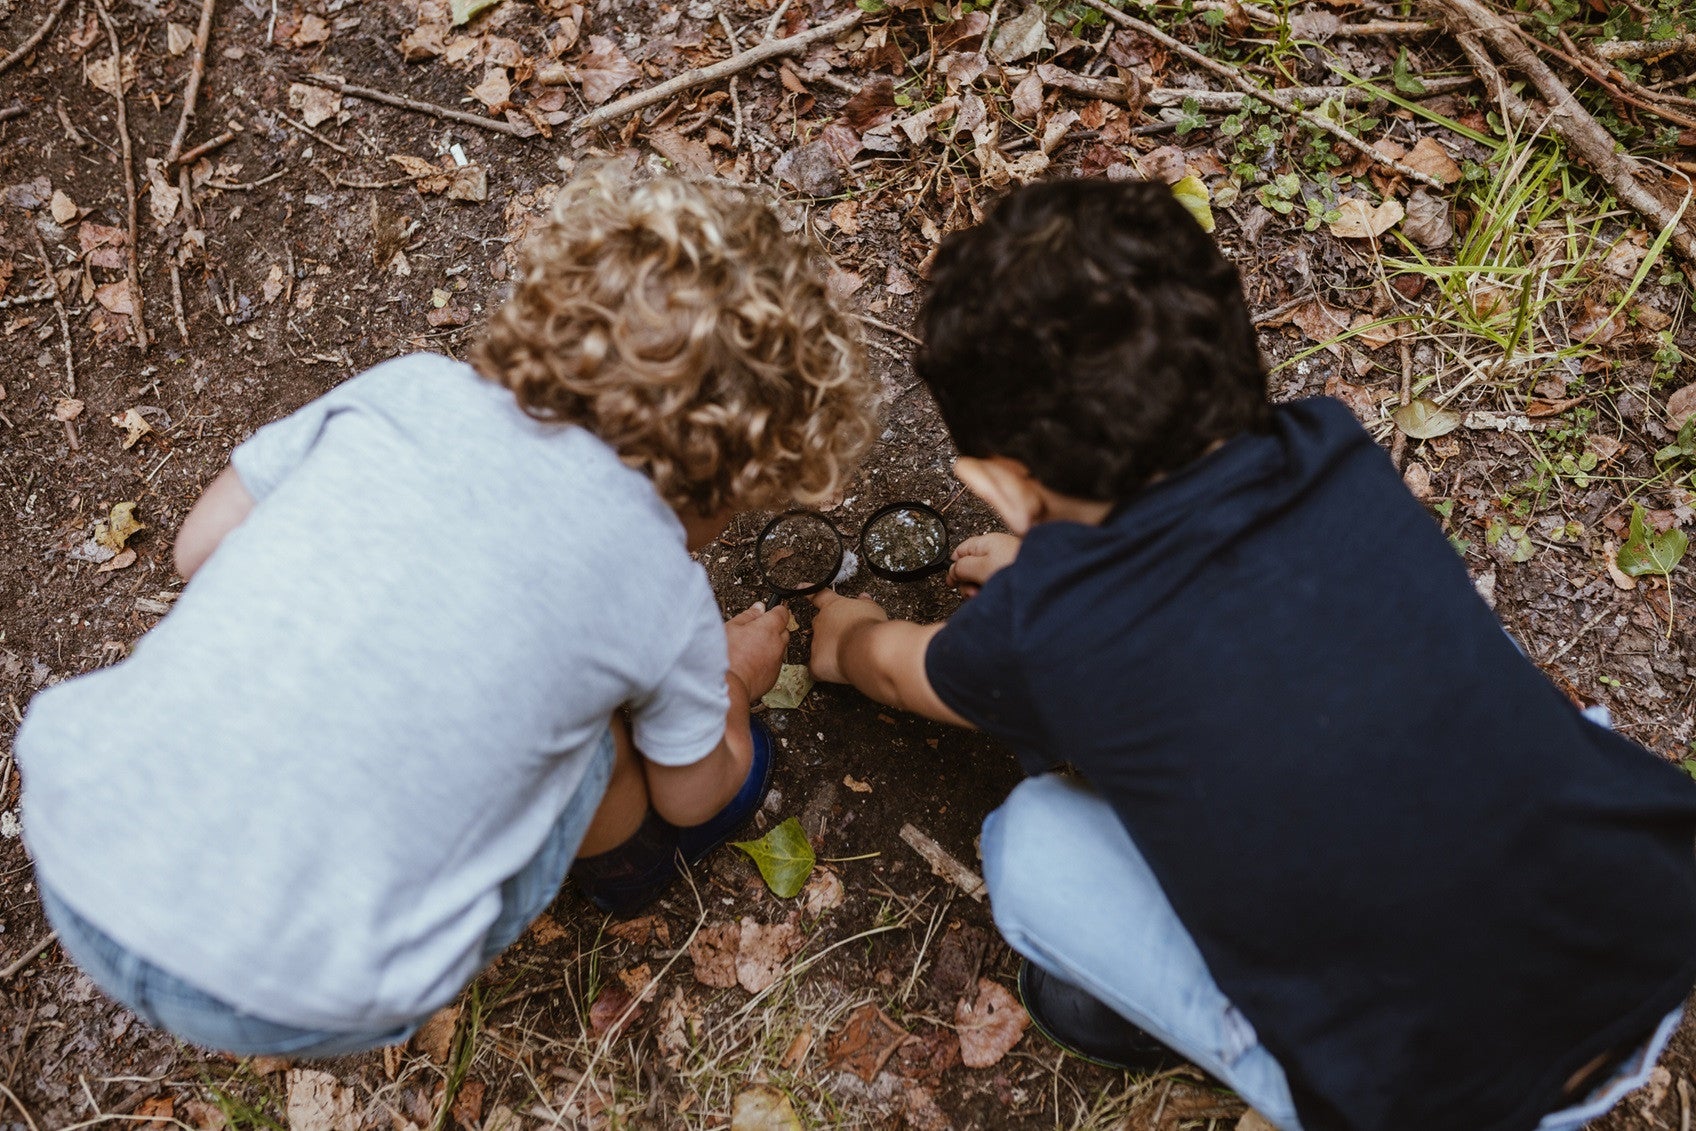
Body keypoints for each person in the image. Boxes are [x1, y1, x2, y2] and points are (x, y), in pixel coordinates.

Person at [806, 177, 1696, 1131]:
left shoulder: (1048, 630)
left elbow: (900, 668)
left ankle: (1147, 1013)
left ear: (1000, 484)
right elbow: (1209, 567)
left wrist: (846, 635)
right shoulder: (1328, 445)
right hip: (1647, 927)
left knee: (1029, 845)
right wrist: (1053, 550)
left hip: (1436, 1100)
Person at [14, 169, 877, 1057]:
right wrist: (731, 683)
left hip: (81, 849)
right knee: (595, 745)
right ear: (729, 483)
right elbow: (696, 794)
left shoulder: (409, 391)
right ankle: (629, 871)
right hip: (308, 995)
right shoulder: (661, 583)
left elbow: (197, 549)